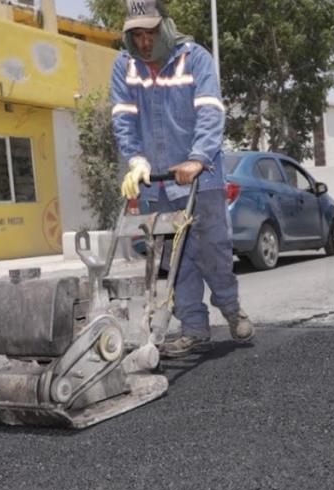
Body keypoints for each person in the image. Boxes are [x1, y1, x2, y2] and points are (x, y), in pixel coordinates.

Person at [110, 0, 253, 358]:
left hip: (199, 179)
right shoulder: (124, 66)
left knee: (211, 252)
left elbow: (210, 112)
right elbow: (124, 118)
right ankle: (193, 328)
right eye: (136, 35)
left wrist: (197, 159)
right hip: (156, 182)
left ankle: (232, 310)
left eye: (150, 33)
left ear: (166, 27)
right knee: (175, 259)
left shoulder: (196, 58)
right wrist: (137, 162)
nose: (144, 43)